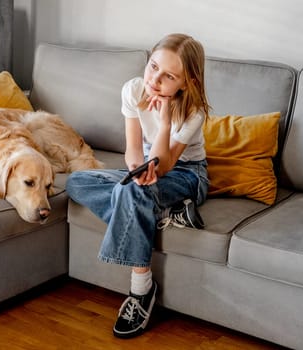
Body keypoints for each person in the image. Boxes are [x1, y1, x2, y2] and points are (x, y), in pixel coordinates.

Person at [66, 33, 210, 338]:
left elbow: (167, 163)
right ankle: (166, 214)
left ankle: (141, 290)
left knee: (133, 190)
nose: (155, 80)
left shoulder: (193, 112)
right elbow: (133, 151)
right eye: (153, 66)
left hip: (187, 175)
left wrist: (167, 121)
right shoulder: (133, 90)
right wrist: (135, 170)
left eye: (169, 76)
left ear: (187, 83)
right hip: (146, 166)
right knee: (77, 181)